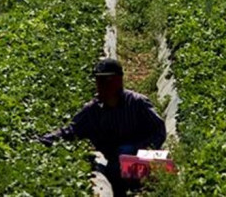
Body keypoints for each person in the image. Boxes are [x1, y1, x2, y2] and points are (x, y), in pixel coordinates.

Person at [37, 58, 167, 196]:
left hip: (142, 160)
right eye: (99, 81)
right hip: (115, 168)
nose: (102, 86)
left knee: (159, 172)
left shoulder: (136, 103)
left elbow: (159, 130)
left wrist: (137, 149)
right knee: (115, 168)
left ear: (118, 81)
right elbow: (70, 131)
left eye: (107, 81)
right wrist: (43, 140)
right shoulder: (93, 111)